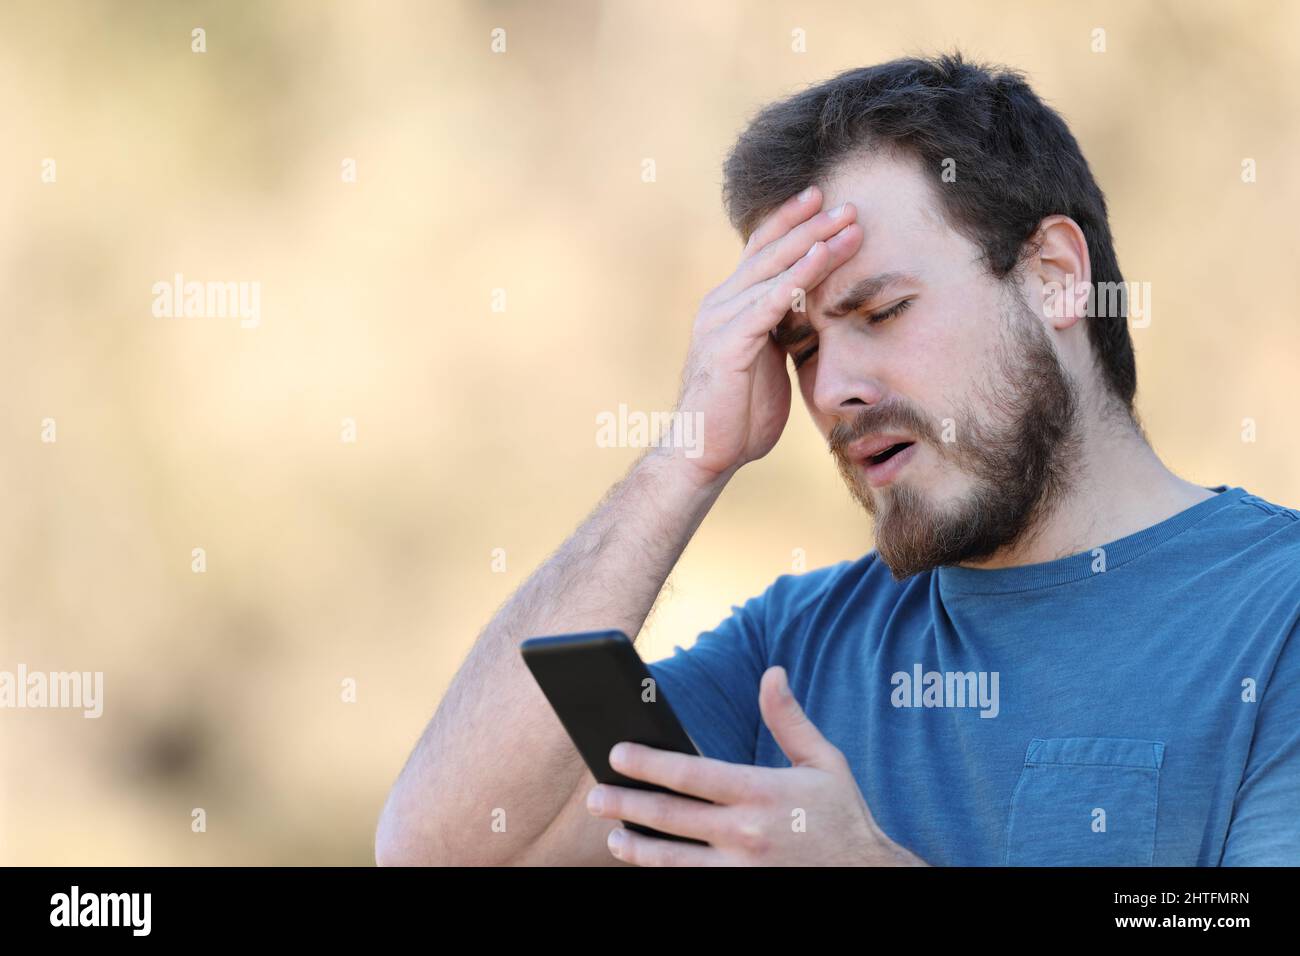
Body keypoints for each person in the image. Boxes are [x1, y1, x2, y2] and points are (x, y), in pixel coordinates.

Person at [376, 53, 1300, 866]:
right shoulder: (791, 652)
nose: (831, 391)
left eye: (881, 311)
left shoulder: (1277, 612)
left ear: (1055, 275)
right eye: (803, 344)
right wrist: (684, 460)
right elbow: (438, 852)